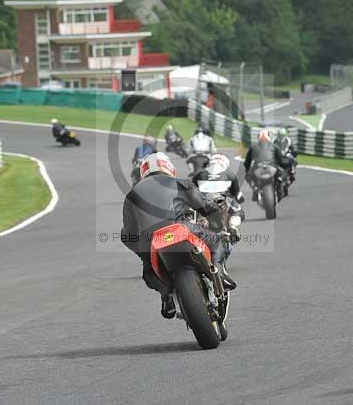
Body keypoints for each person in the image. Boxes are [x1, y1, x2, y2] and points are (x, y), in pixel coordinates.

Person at [121, 153, 235, 319]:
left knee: (149, 273)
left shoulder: (131, 195)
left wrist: (143, 253)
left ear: (143, 171)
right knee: (218, 240)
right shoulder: (179, 183)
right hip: (180, 228)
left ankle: (166, 296)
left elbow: (128, 233)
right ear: (169, 167)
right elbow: (205, 206)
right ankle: (220, 274)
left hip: (151, 240)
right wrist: (216, 225)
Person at [192, 153, 244, 245]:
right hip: (221, 199)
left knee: (190, 208)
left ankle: (193, 225)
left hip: (203, 200)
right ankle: (233, 225)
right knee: (238, 210)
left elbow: (192, 189)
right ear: (225, 164)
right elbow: (235, 192)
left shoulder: (200, 173)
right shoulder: (230, 174)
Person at [244, 129, 289, 200]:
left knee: (248, 175)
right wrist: (286, 164)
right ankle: (277, 189)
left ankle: (255, 188)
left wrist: (246, 169)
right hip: (271, 168)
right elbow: (281, 162)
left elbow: (247, 162)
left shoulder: (253, 147)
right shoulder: (275, 147)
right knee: (280, 176)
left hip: (260, 168)